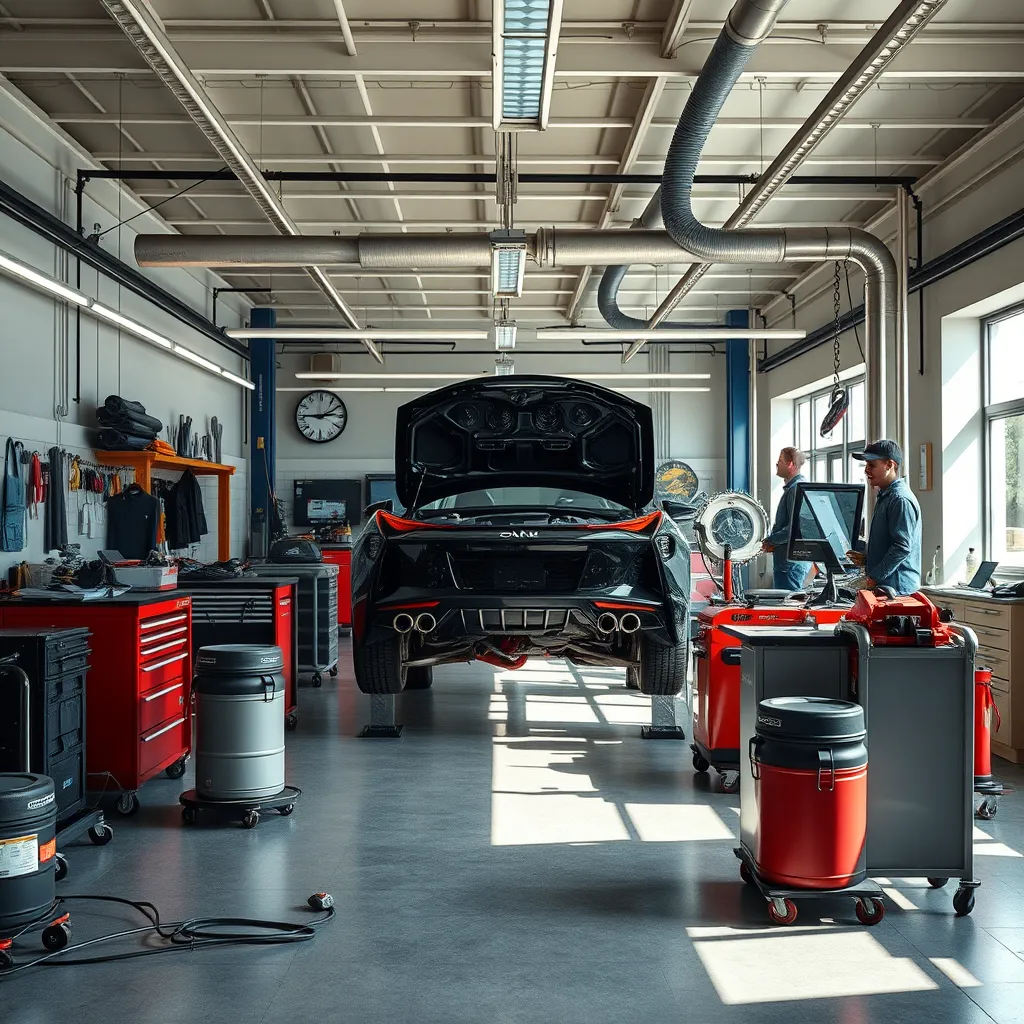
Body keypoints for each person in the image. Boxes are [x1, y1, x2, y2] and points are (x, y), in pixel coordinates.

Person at [847, 439, 922, 595]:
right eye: (866, 465)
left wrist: (873, 578)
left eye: (872, 465)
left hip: (896, 590)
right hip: (887, 588)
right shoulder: (885, 497)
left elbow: (901, 548)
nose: (866, 470)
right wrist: (867, 558)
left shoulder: (900, 499)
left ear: (889, 465)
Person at [762, 447, 812, 591]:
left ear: (790, 464)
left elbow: (795, 528)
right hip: (791, 561)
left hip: (790, 564)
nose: (777, 464)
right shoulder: (795, 488)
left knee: (788, 605)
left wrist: (770, 540)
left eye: (780, 461)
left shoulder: (796, 489)